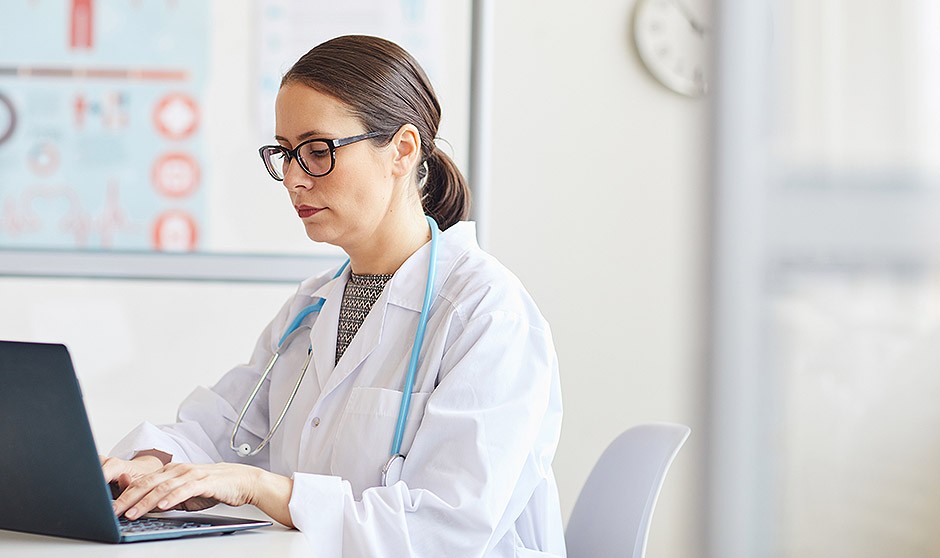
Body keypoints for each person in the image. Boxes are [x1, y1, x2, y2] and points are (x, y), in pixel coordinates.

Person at [102, 35, 565, 557]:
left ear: (402, 150)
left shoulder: (488, 314)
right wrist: (150, 466)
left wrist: (261, 487)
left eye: (317, 151)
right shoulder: (313, 307)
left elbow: (442, 530)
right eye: (285, 153)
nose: (293, 179)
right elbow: (222, 431)